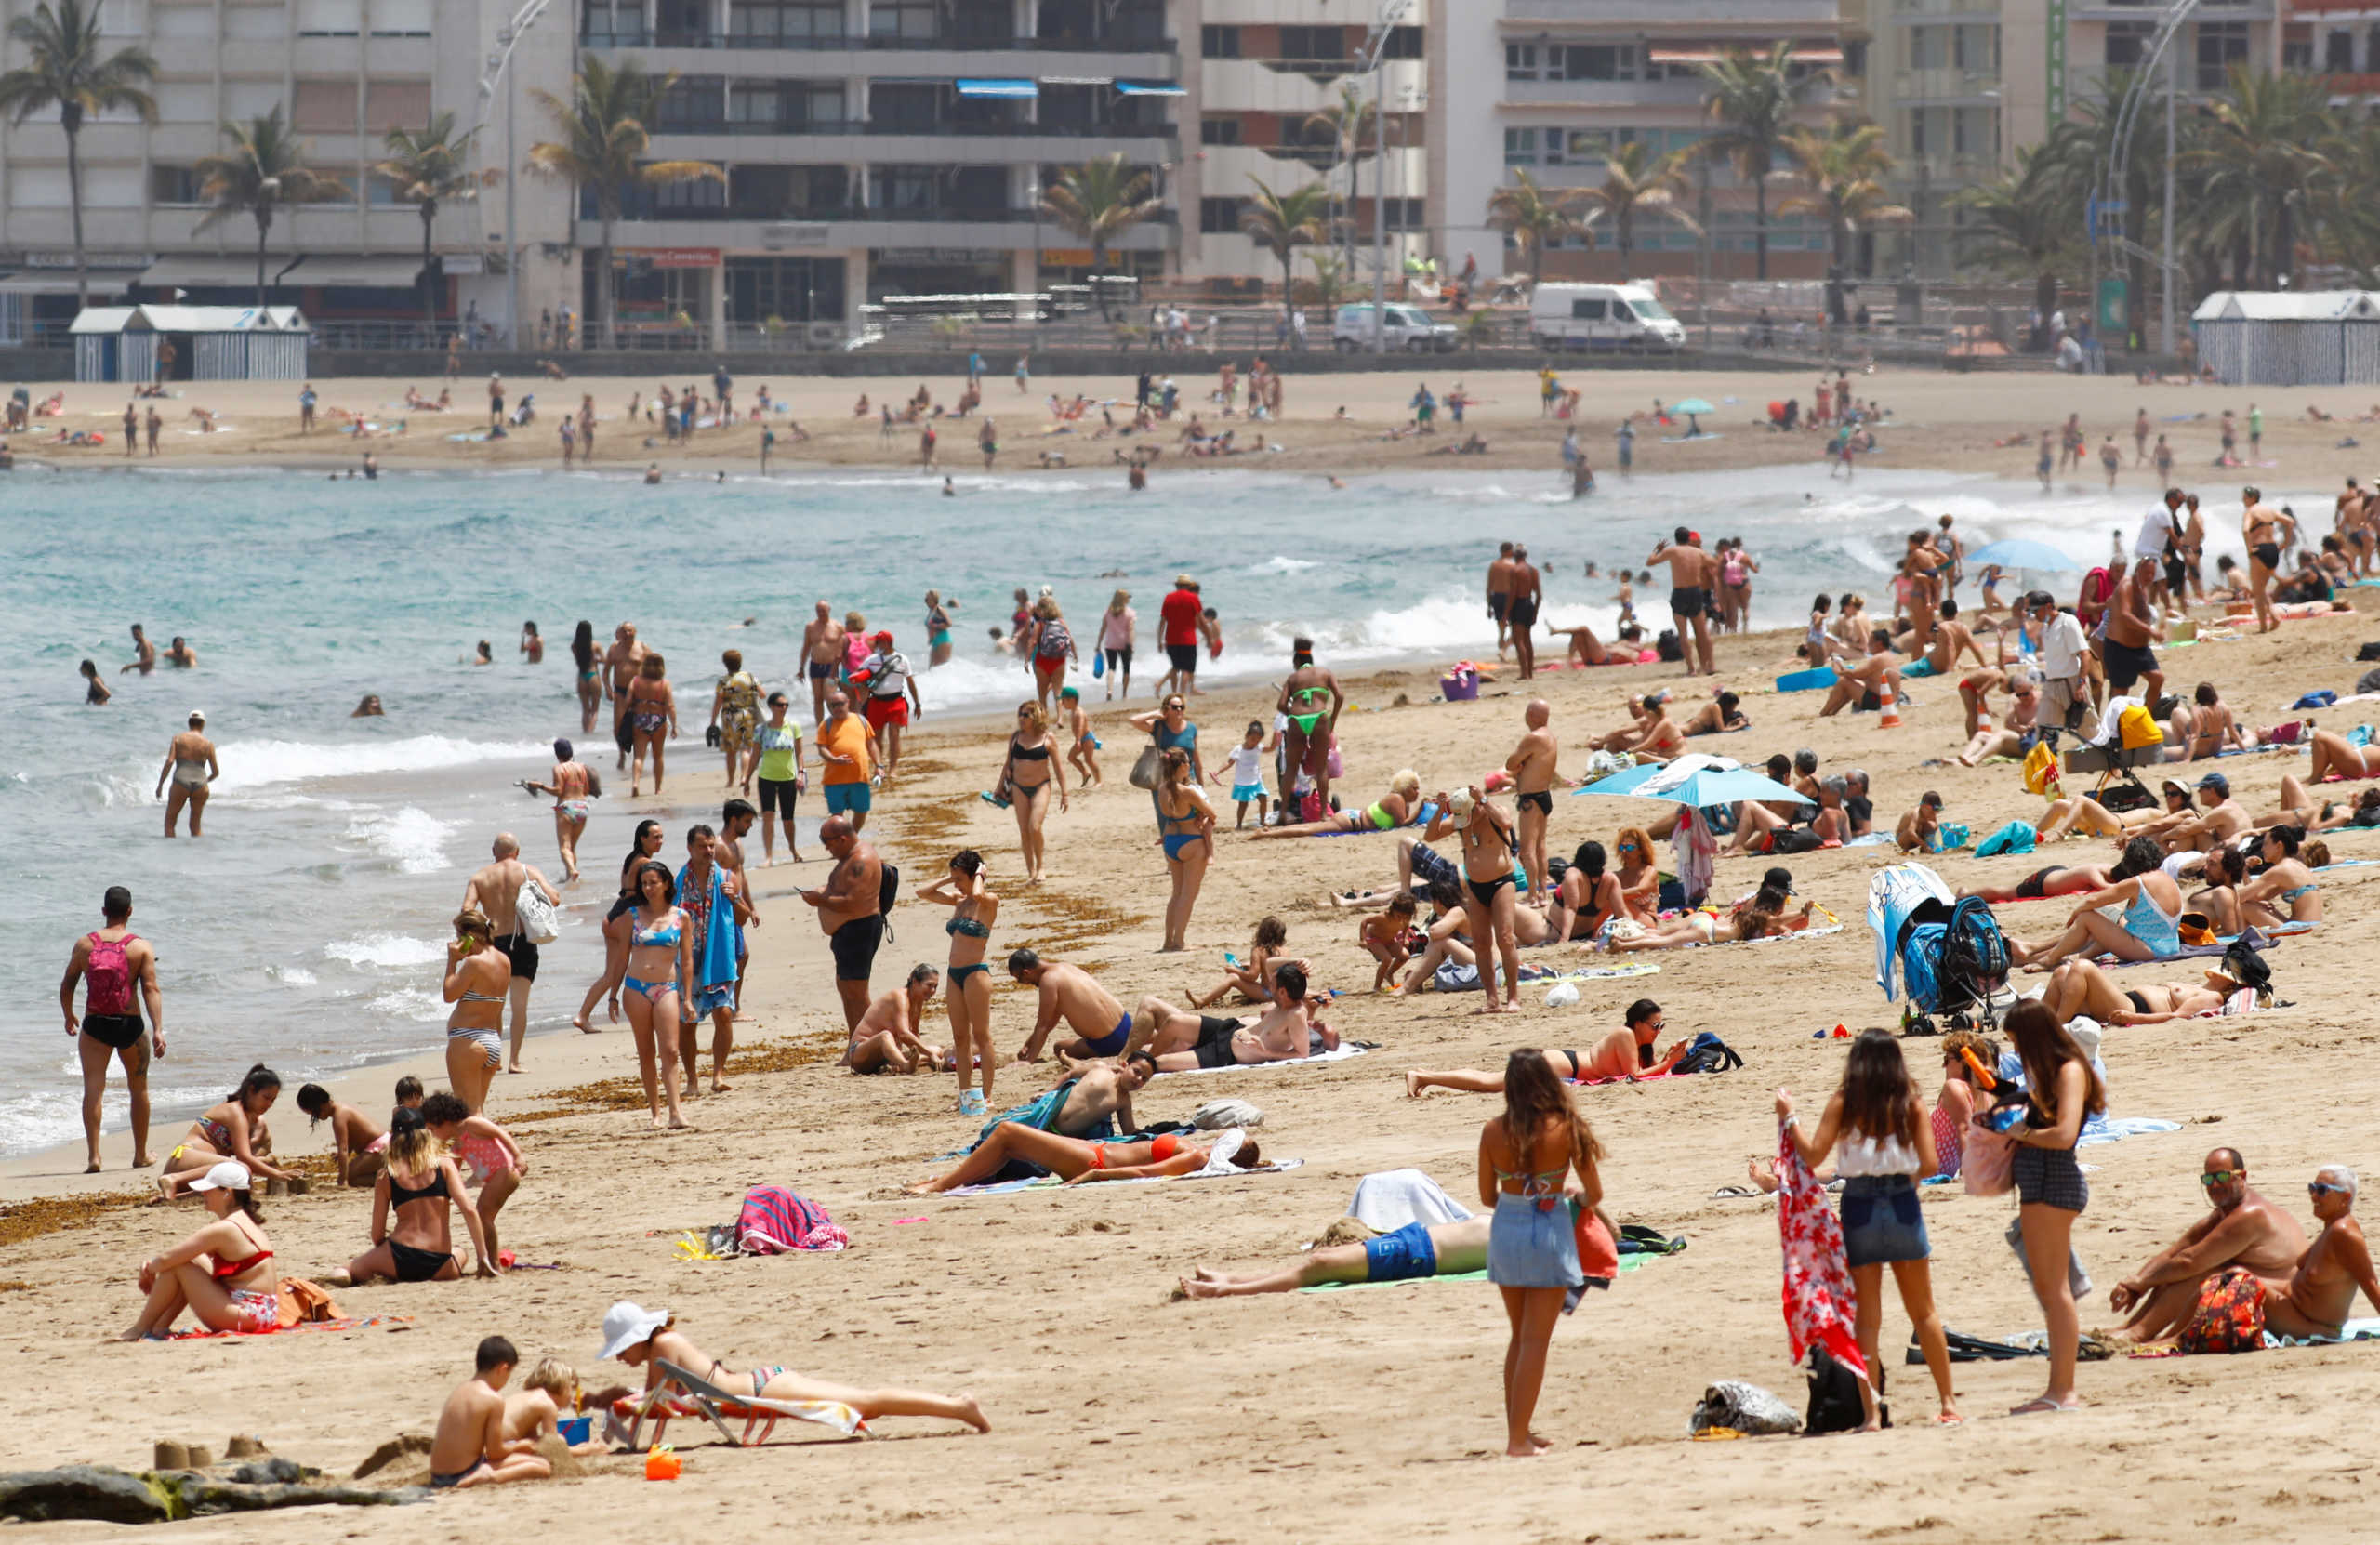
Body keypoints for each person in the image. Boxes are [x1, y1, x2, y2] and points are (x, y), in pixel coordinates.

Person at [1776, 1034, 1960, 1428]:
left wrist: (1789, 1116)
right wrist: (1905, 1178)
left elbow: (1812, 1156)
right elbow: (1929, 1164)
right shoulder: (1910, 1103)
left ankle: (1872, 1414)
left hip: (1859, 1205)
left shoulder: (1845, 1102)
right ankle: (1948, 1403)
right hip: (1901, 1203)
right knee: (1924, 1311)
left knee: (1867, 1319)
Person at [597, 1301, 989, 1432]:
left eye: (620, 1350)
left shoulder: (664, 1345)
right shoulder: (663, 1348)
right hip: (760, 1385)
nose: (619, 1358)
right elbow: (661, 1402)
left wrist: (612, 1403)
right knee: (864, 1404)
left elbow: (655, 1404)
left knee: (865, 1403)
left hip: (764, 1391)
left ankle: (957, 1407)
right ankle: (956, 1407)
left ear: (636, 1338)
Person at [1480, 1050, 1606, 1457]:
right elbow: (1595, 1192)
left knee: (1519, 1338)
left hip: (1507, 1229)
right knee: (1536, 1341)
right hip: (1549, 1230)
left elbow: (1487, 1196)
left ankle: (1521, 1429)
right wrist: (1577, 1200)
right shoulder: (1566, 1129)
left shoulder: (1492, 1131)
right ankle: (1518, 1441)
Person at [1997, 1000, 2105, 1412]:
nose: (2020, 1055)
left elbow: (2062, 1136)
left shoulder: (2070, 1071)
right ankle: (2058, 1389)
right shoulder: (2049, 1074)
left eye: (2021, 1045)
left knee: (2057, 1291)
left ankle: (2063, 1391)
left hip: (2054, 1182)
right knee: (2050, 1289)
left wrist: (2023, 1133)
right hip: (2040, 1184)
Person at [2100, 1146, 2309, 1343]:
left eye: (2222, 1177)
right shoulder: (2225, 1212)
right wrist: (2136, 1283)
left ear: (2242, 1176)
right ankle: (2131, 1327)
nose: (2214, 1185)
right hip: (2264, 1295)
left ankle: (2138, 1333)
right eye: (2208, 1179)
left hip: (2289, 1309)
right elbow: (2175, 1252)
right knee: (2170, 1271)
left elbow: (2190, 1262)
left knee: (2202, 1274)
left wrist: (2141, 1282)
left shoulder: (2250, 1214)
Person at [60, 885, 165, 1173]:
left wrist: (68, 1016)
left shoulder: (84, 945)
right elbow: (150, 988)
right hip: (130, 1025)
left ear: (104, 911)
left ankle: (94, 1157)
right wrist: (158, 1029)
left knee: (93, 1088)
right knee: (138, 1088)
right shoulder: (140, 947)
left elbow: (68, 984)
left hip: (95, 1025)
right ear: (130, 911)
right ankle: (140, 1154)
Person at [119, 1160, 281, 1339]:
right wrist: (154, 1265)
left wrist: (147, 1269)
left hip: (248, 1317)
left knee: (179, 1265)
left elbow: (167, 1259)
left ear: (227, 1193)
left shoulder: (226, 1229)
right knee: (190, 1259)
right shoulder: (245, 1222)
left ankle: (141, 1328)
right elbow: (183, 1254)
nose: (203, 1193)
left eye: (208, 1189)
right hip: (262, 1314)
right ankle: (158, 1327)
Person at [343, 1106, 495, 1285]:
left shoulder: (387, 1174)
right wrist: (482, 1256)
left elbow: (377, 1235)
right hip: (440, 1265)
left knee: (347, 1268)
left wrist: (384, 1253)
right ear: (426, 1133)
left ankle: (341, 1276)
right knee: (460, 1252)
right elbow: (469, 1210)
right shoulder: (444, 1165)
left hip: (399, 1258)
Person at [1407, 1000, 1686, 1094]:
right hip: (1559, 1065)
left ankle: (1426, 1075)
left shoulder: (1635, 1041)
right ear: (1638, 1024)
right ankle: (1424, 1077)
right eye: (1655, 1026)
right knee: (1492, 1083)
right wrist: (1669, 1063)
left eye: (1661, 1026)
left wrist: (1665, 1060)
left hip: (1564, 1062)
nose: (1658, 1031)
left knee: (1492, 1080)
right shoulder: (1625, 1035)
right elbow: (1634, 1075)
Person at [1183, 1214, 1491, 1298]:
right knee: (1324, 1259)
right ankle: (1231, 1279)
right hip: (1415, 1237)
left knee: (1321, 1265)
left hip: (1416, 1254)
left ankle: (1225, 1291)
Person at [2006, 836, 2186, 970]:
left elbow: (2093, 900)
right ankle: (2037, 952)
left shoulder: (2138, 882)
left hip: (2150, 949)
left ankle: (2048, 960)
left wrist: (2076, 913)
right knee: (2105, 918)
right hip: (2170, 945)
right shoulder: (2168, 879)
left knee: (2087, 919)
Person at [462, 835, 560, 1076]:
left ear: (493, 851)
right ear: (517, 851)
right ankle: (514, 1061)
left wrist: (477, 932)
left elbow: (466, 911)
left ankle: (494, 1059)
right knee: (519, 1005)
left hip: (494, 945)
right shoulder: (529, 872)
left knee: (495, 1004)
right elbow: (555, 899)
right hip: (523, 941)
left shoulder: (480, 877)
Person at [917, 851, 999, 1114]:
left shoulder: (988, 901)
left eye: (959, 878)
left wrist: (979, 876)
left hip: (976, 972)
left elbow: (977, 894)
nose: (956, 884)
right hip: (955, 974)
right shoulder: (959, 901)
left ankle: (986, 1095)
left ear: (975, 876)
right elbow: (922, 892)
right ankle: (965, 1094)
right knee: (960, 1037)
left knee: (982, 1035)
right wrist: (947, 878)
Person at [612, 859, 691, 1129]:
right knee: (646, 1051)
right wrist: (612, 995)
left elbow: (688, 961)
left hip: (667, 988)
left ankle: (676, 1112)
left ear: (666, 883)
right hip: (636, 988)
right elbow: (621, 958)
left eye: (653, 882)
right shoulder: (631, 916)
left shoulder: (681, 917)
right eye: (644, 884)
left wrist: (688, 997)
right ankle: (656, 1114)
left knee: (670, 1050)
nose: (648, 888)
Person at [677, 824, 752, 1094]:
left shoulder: (726, 877)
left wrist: (735, 900)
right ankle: (691, 1080)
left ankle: (718, 1075)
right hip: (687, 962)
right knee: (688, 1022)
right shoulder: (678, 881)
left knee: (723, 1014)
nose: (709, 851)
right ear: (690, 848)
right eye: (702, 846)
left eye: (711, 845)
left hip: (719, 957)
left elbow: (743, 920)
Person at [2263, 1167, 2380, 1340]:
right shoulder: (2332, 1228)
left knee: (2239, 1284)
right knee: (2234, 1278)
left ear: (2345, 1197)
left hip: (2309, 1323)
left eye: (2322, 1190)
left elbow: (2370, 1283)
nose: (2314, 1196)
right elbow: (2302, 1263)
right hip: (2293, 1308)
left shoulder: (2343, 1233)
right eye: (2312, 1188)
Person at [427, 1337, 550, 1489]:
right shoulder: (493, 1399)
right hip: (462, 1474)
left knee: (527, 1458)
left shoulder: (459, 1390)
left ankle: (484, 1472)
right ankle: (489, 1476)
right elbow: (495, 1453)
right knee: (542, 1466)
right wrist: (519, 1446)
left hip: (437, 1475)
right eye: (509, 1372)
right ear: (503, 1369)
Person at [158, 1064, 297, 1198]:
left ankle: (177, 1196)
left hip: (199, 1173)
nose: (269, 1104)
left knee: (238, 1184)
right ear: (251, 1090)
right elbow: (244, 1158)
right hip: (184, 1159)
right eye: (266, 1098)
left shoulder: (248, 1117)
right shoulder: (236, 1111)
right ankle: (173, 1179)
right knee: (241, 1170)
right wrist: (277, 1174)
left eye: (273, 1100)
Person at [419, 1090, 526, 1263]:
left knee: (483, 1216)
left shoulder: (471, 1125)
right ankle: (489, 1261)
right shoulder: (457, 1143)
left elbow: (500, 1133)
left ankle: (492, 1263)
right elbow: (453, 1170)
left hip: (505, 1170)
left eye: (432, 1129)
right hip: (496, 1176)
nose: (431, 1135)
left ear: (444, 1121)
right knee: (483, 1217)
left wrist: (518, 1155)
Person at [801, 814, 883, 1033]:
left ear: (843, 839)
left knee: (857, 991)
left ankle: (874, 1041)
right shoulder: (849, 858)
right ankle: (855, 1043)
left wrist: (820, 899)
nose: (826, 848)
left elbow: (853, 902)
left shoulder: (860, 860)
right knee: (846, 988)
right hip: (847, 932)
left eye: (827, 842)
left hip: (860, 929)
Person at [1008, 947, 1139, 1062]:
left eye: (1020, 979)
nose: (1023, 983)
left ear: (1026, 972)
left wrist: (1030, 1060)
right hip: (1128, 1027)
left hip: (1108, 1042)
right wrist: (1028, 1045)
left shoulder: (1048, 981)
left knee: (1059, 1048)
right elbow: (1052, 1019)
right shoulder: (1064, 967)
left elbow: (1043, 1024)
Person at [443, 907, 512, 1112]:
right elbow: (498, 1008)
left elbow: (449, 995)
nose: (457, 942)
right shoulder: (504, 960)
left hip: (467, 1040)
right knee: (477, 1110)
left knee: (467, 1113)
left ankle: (494, 1143)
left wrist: (452, 961)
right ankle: (480, 1144)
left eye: (459, 936)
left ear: (470, 936)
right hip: (491, 1039)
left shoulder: (474, 963)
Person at [996, 701, 1067, 885]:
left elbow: (1059, 769)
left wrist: (1065, 794)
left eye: (1025, 715)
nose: (1021, 718)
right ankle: (1031, 871)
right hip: (1018, 787)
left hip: (1040, 786)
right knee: (1024, 830)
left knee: (1034, 826)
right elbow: (1008, 763)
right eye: (1020, 714)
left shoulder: (1048, 739)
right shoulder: (1015, 737)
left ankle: (1041, 867)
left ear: (1035, 717)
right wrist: (998, 787)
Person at [1247, 770, 1423, 839]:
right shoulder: (1397, 799)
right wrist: (1421, 808)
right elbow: (1402, 824)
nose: (1417, 792)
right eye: (1414, 788)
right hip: (1350, 821)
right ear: (1405, 788)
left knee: (1310, 828)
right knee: (1308, 830)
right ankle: (1266, 834)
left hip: (1353, 818)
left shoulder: (1401, 801)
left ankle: (1268, 833)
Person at [841, 963, 945, 1075]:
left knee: (937, 1050)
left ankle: (895, 1066)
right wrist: (929, 1055)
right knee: (885, 1035)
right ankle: (905, 1065)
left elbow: (914, 1034)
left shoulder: (917, 1001)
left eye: (935, 987)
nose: (933, 990)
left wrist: (927, 1053)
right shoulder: (900, 997)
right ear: (914, 981)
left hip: (886, 1057)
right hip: (860, 1054)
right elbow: (903, 1034)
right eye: (929, 985)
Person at [1504, 700, 1560, 896]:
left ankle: (1532, 894)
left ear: (1533, 716)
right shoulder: (1550, 737)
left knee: (1527, 850)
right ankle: (1543, 891)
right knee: (1540, 847)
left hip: (1531, 799)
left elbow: (1510, 763)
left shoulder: (1533, 738)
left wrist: (1520, 765)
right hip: (1544, 795)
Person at [1648, 528, 1717, 677]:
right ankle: (1710, 665)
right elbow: (1713, 562)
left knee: (1683, 634)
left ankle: (1692, 669)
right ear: (1689, 539)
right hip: (1696, 592)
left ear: (1676, 538)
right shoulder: (1698, 552)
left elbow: (1650, 562)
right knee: (1702, 632)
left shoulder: (1673, 551)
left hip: (1680, 593)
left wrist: (1657, 549)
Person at [856, 631, 921, 781]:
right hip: (876, 701)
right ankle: (880, 767)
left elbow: (910, 683)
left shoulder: (902, 659)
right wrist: (862, 697)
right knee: (877, 737)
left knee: (894, 735)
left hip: (896, 701)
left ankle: (893, 768)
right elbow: (859, 678)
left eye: (880, 642)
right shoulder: (871, 660)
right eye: (877, 642)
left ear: (888, 643)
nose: (877, 645)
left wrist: (917, 703)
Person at [297, 1083, 386, 1188]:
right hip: (383, 1145)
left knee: (351, 1178)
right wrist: (344, 1155)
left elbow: (342, 1148)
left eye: (313, 1114)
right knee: (353, 1173)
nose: (315, 1117)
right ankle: (386, 1176)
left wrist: (342, 1179)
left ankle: (391, 1181)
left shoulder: (339, 1117)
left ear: (319, 1106)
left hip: (380, 1149)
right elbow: (352, 1139)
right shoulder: (342, 1109)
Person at [753, 692, 805, 865]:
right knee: (768, 816)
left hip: (788, 777)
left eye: (786, 705)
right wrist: (746, 778)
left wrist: (801, 772)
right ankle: (768, 856)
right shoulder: (761, 729)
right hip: (766, 777)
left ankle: (793, 850)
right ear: (771, 707)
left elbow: (799, 752)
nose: (784, 708)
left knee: (788, 818)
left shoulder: (793, 726)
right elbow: (755, 755)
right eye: (780, 705)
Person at [814, 691, 879, 832]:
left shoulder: (861, 720)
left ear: (848, 703)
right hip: (834, 780)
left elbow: (871, 744)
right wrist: (833, 759)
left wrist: (879, 766)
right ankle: (841, 843)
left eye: (840, 704)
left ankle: (852, 837)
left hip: (859, 777)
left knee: (861, 812)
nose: (837, 708)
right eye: (833, 705)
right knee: (837, 817)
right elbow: (821, 748)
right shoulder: (826, 725)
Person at [155, 709, 218, 838]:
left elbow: (170, 761)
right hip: (201, 784)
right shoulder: (208, 744)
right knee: (195, 826)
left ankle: (171, 855)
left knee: (170, 823)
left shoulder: (178, 739)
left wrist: (160, 785)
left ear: (189, 723)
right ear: (203, 724)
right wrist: (204, 781)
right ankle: (197, 855)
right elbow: (215, 772)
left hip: (180, 781)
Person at [709, 649, 763, 793]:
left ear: (725, 664)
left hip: (730, 717)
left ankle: (730, 780)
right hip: (748, 715)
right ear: (740, 662)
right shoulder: (750, 677)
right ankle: (744, 777)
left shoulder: (723, 681)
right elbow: (763, 694)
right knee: (746, 749)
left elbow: (718, 703)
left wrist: (713, 722)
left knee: (731, 751)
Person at [2242, 487, 2294, 635]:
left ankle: (2265, 625)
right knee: (2261, 589)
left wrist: (2249, 548)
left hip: (2259, 549)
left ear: (2252, 498)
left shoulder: (2251, 512)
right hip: (2273, 549)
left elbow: (2246, 530)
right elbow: (2290, 522)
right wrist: (2285, 542)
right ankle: (2273, 617)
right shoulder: (2269, 510)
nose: (2243, 500)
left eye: (2245, 497)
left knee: (2258, 592)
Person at [624, 653, 677, 796]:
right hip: (658, 720)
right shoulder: (664, 684)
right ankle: (658, 789)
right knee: (658, 756)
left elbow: (627, 702)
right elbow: (670, 706)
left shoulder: (635, 681)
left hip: (640, 720)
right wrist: (674, 726)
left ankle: (635, 783)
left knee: (639, 756)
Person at [1956, 862, 2113, 905]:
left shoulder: (2105, 867)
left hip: (2055, 875)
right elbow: (2111, 889)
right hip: (2041, 884)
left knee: (2007, 891)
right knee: (2006, 893)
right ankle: (1966, 895)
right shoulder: (2093, 874)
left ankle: (1968, 893)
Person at [1156, 574, 1204, 700]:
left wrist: (1159, 640)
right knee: (1187, 669)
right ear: (1188, 586)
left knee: (1176, 667)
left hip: (1171, 640)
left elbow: (1162, 621)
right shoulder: (1193, 598)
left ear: (1176, 585)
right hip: (1188, 640)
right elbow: (1200, 620)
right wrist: (1208, 636)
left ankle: (1173, 693)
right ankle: (1181, 695)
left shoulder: (1168, 598)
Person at [801, 600, 847, 724]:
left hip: (831, 667)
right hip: (815, 665)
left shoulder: (837, 626)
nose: (820, 613)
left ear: (829, 610)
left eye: (823, 610)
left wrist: (846, 667)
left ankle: (837, 724)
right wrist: (801, 668)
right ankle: (820, 727)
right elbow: (806, 647)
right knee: (817, 699)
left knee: (830, 698)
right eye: (818, 610)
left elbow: (846, 646)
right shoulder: (810, 627)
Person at [1097, 588, 1135, 700]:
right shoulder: (1129, 612)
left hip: (1110, 644)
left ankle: (1109, 690)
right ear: (1124, 599)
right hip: (1125, 644)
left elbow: (1103, 629)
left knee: (1111, 668)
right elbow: (1131, 630)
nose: (1129, 599)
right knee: (1126, 668)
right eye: (1128, 597)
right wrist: (1132, 644)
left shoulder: (1108, 611)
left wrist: (1098, 643)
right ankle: (1124, 693)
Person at [1059, 686, 1099, 788]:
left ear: (1071, 700)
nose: (1062, 703)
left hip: (1087, 739)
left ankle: (1099, 781)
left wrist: (1078, 740)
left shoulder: (1079, 712)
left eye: (1063, 700)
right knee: (1071, 757)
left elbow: (1080, 726)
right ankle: (1085, 773)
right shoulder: (1072, 711)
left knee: (1089, 760)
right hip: (1081, 739)